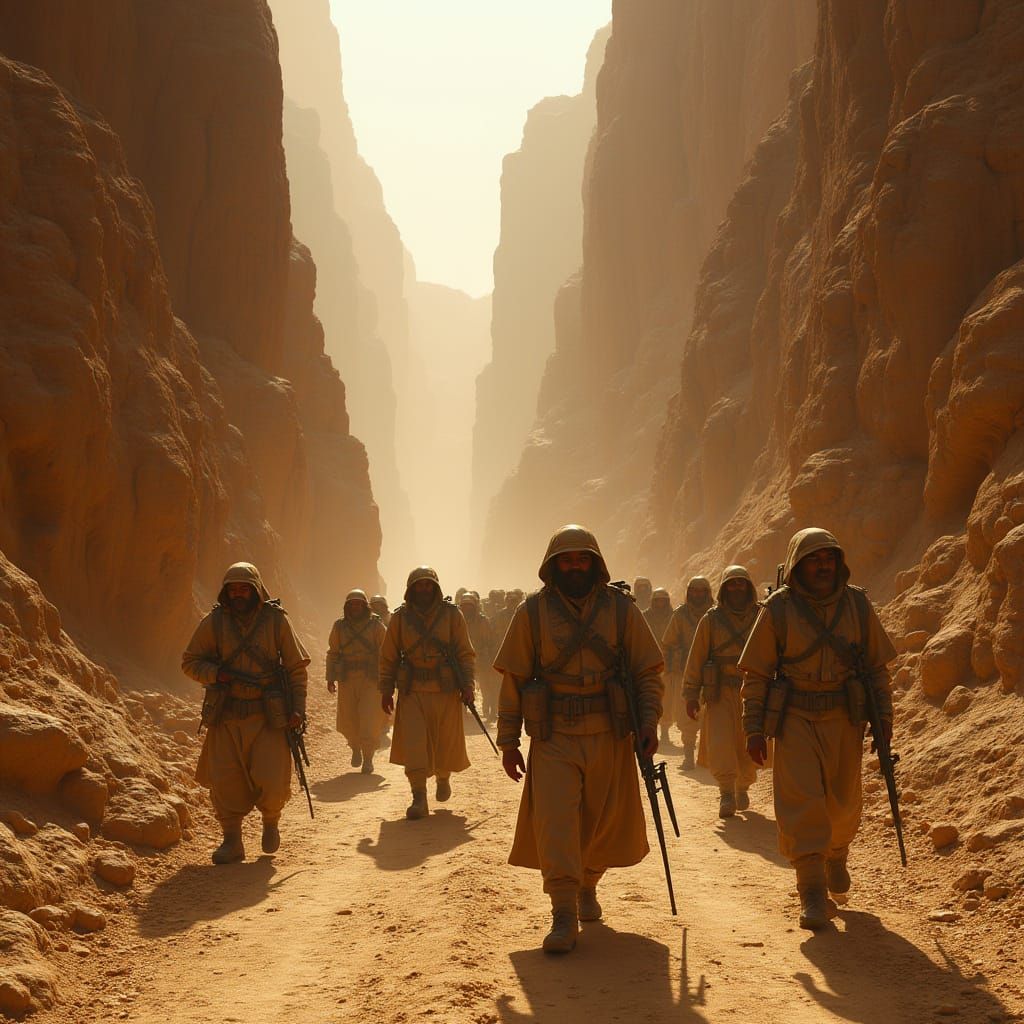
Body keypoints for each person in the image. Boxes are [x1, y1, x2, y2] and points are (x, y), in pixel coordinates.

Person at [494, 525, 664, 954]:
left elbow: (646, 671)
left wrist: (649, 722)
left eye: (582, 558)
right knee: (556, 823)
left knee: (604, 822)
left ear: (595, 563)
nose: (574, 566)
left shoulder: (622, 611)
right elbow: (513, 678)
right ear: (553, 565)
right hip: (554, 737)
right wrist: (509, 740)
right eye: (567, 559)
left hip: (609, 733)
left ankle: (589, 883)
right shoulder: (531, 612)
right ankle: (563, 912)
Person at [739, 528, 896, 930]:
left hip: (845, 720)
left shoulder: (858, 605)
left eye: (829, 557)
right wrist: (753, 728)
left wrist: (884, 724)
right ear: (797, 565)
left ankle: (837, 853)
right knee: (801, 804)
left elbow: (877, 670)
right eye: (814, 559)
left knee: (843, 804)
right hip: (794, 721)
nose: (823, 565)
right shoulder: (777, 609)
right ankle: (811, 891)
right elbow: (756, 673)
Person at [182, 562, 309, 863]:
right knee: (226, 781)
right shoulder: (214, 622)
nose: (238, 593)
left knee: (272, 778)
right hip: (226, 716)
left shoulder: (276, 621)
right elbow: (189, 662)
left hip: (268, 716)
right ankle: (232, 841)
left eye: (244, 588)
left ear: (256, 590)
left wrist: (298, 710)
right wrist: (216, 674)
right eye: (233, 588)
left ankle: (271, 821)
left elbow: (295, 668)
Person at [379, 566, 475, 819]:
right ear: (410, 589)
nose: (424, 589)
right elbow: (388, 657)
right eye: (419, 585)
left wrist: (468, 685)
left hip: (445, 691)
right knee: (415, 745)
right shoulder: (400, 619)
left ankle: (443, 777)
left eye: (428, 585)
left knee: (445, 742)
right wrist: (386, 689)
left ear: (435, 587)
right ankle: (418, 796)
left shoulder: (452, 616)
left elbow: (465, 653)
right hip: (412, 693)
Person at [682, 566, 760, 818]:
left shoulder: (761, 617)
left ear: (749, 587)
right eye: (732, 584)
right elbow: (696, 657)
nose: (737, 588)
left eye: (741, 583)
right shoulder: (711, 620)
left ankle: (743, 786)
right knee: (722, 743)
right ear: (724, 588)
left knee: (750, 741)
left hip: (753, 691)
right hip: (720, 693)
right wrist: (691, 694)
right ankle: (726, 792)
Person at [326, 589, 388, 773]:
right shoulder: (339, 627)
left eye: (359, 604)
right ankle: (355, 747)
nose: (355, 607)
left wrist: (387, 678)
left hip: (370, 680)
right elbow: (333, 653)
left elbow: (386, 653)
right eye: (352, 604)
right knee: (349, 719)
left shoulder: (376, 626)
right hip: (347, 679)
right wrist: (330, 677)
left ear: (365, 606)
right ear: (347, 606)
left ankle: (368, 758)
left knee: (369, 719)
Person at [661, 576, 714, 769]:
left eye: (702, 591)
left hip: (714, 674)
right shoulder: (680, 615)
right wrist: (672, 665)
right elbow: (668, 643)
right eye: (694, 591)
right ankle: (689, 756)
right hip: (687, 672)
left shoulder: (717, 614)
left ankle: (712, 757)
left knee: (713, 717)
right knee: (687, 716)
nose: (698, 595)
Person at [643, 588, 676, 749]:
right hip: (648, 663)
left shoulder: (674, 616)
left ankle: (664, 731)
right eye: (657, 600)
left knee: (667, 700)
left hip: (668, 664)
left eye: (663, 600)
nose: (660, 603)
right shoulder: (644, 617)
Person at [460, 592, 499, 721]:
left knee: (487, 687)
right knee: (462, 685)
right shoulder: (458, 620)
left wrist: (486, 655)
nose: (467, 609)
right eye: (465, 607)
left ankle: (490, 710)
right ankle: (463, 712)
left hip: (481, 659)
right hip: (463, 659)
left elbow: (489, 640)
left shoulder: (482, 621)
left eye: (469, 606)